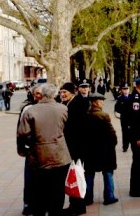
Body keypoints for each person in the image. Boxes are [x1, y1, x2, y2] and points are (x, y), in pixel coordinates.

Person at [17, 83, 71, 216]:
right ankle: (55, 211)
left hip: (38, 156)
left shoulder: (30, 110)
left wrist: (24, 151)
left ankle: (39, 210)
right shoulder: (63, 109)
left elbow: (23, 134)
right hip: (59, 156)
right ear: (54, 94)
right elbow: (67, 129)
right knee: (57, 190)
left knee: (38, 190)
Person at [83, 93, 119, 206]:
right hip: (105, 150)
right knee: (107, 172)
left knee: (89, 173)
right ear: (94, 102)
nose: (102, 102)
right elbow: (111, 133)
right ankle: (109, 196)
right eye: (100, 100)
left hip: (90, 150)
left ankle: (88, 197)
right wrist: (113, 143)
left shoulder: (86, 115)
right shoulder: (103, 115)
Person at [63, 80, 91, 216]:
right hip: (70, 145)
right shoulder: (67, 102)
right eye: (61, 92)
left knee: (78, 175)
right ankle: (74, 204)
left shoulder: (80, 103)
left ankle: (79, 206)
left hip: (78, 146)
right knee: (73, 176)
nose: (62, 94)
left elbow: (80, 126)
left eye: (65, 92)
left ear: (72, 92)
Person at [16, 84, 43, 216]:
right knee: (30, 177)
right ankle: (29, 204)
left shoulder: (49, 106)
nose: (39, 95)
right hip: (32, 148)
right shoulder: (28, 108)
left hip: (46, 148)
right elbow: (20, 130)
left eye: (41, 93)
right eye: (36, 93)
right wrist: (22, 148)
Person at [114, 83, 132, 152]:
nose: (125, 90)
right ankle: (125, 146)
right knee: (125, 132)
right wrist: (122, 112)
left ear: (129, 89)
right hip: (124, 118)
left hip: (132, 118)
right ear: (121, 90)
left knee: (132, 131)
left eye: (126, 89)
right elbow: (117, 108)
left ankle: (133, 144)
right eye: (124, 89)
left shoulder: (132, 97)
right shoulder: (120, 98)